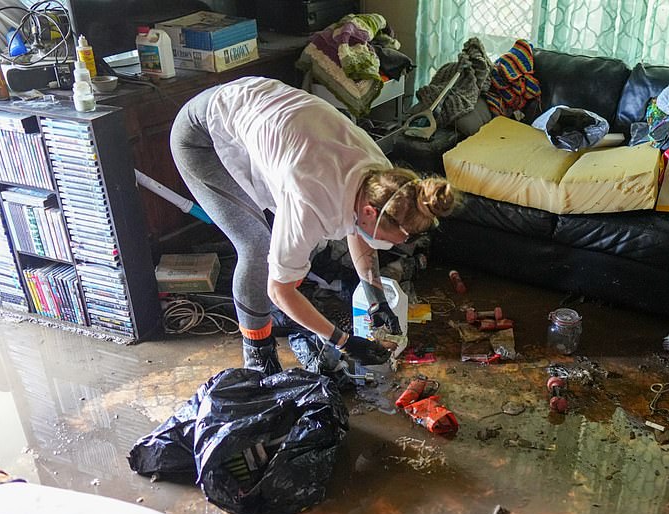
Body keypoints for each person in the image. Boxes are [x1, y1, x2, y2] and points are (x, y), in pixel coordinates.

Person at [170, 76, 460, 375]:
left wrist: (376, 298)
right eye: (403, 235)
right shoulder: (309, 198)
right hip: (201, 134)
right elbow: (279, 290)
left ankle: (267, 331)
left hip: (259, 110)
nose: (403, 242)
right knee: (256, 247)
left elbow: (358, 227)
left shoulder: (383, 176)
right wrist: (344, 342)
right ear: (373, 212)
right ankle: (258, 353)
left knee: (287, 249)